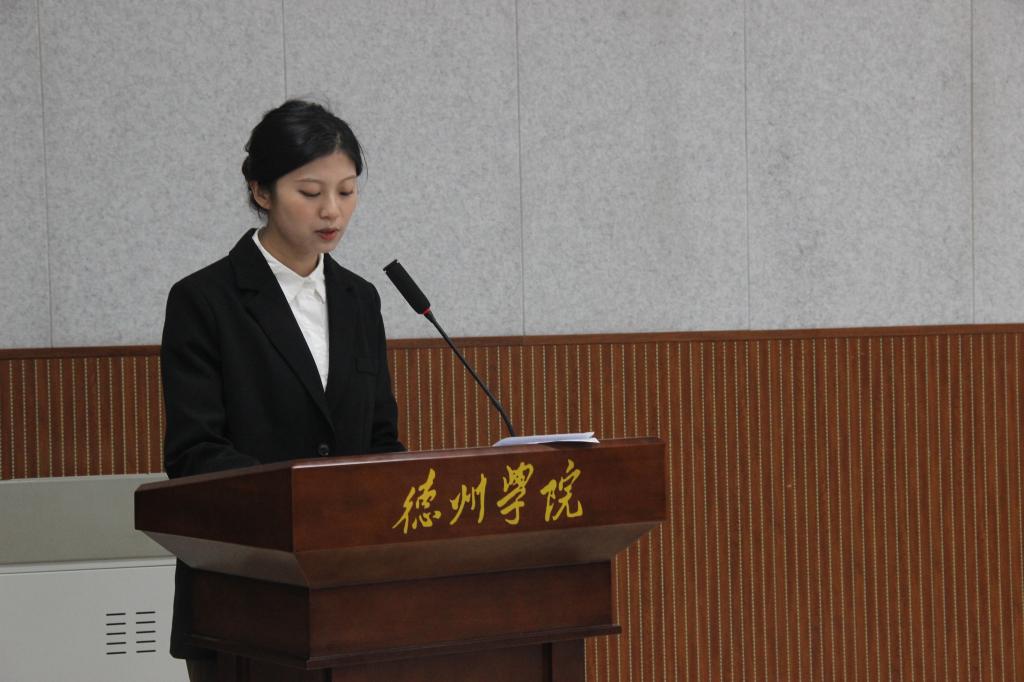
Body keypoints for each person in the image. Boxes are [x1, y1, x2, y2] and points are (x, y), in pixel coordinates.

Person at [160, 100, 405, 680]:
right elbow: (195, 453)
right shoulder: (204, 300)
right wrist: (303, 507)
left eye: (347, 191)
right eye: (310, 191)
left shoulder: (360, 299)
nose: (332, 210)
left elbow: (379, 438)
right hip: (243, 595)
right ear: (261, 191)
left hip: (350, 597)